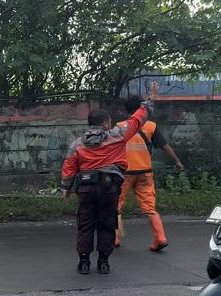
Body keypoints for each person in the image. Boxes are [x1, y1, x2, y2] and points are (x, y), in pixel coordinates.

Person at [61, 82, 159, 274]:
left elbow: (69, 165)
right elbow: (137, 119)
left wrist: (66, 188)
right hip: (109, 188)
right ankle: (104, 262)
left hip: (86, 188)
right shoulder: (117, 135)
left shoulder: (78, 144)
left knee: (85, 224)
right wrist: (150, 100)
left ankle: (84, 262)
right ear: (106, 124)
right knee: (107, 223)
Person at [115, 95, 185, 251]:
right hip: (145, 173)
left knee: (116, 205)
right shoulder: (151, 126)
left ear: (126, 110)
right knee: (150, 208)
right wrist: (177, 161)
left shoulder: (120, 126)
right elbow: (165, 146)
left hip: (124, 173)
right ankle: (160, 238)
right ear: (141, 109)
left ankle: (115, 238)